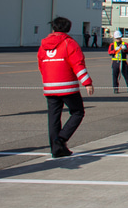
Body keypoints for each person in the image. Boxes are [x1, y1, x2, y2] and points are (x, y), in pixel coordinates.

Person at [37, 17, 94, 158]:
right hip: (67, 86)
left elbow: (41, 65)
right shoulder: (69, 43)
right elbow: (78, 65)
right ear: (68, 28)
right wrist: (87, 82)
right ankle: (61, 139)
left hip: (49, 86)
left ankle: (56, 149)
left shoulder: (43, 45)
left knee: (53, 118)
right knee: (78, 112)